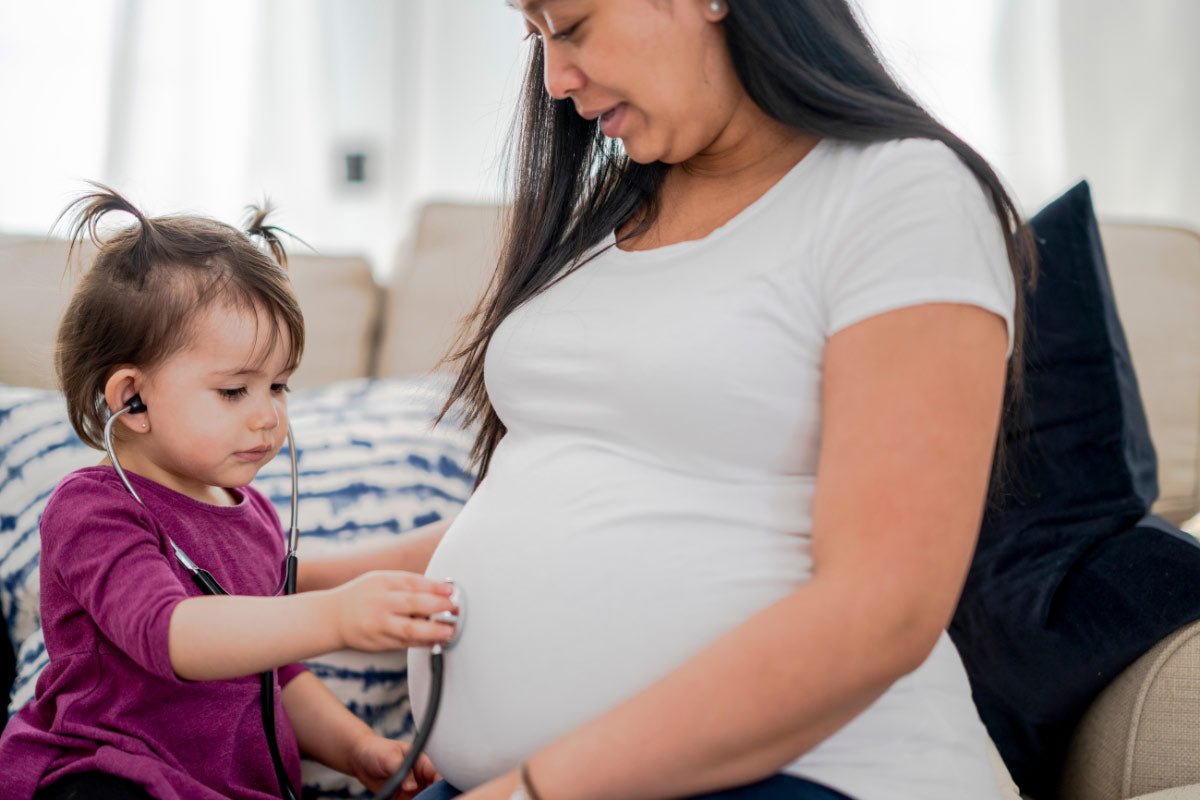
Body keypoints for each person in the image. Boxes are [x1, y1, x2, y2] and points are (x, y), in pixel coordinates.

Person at [396, 0, 1039, 798]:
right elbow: (563, 505)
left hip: (807, 775)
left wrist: (532, 789)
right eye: (535, 41)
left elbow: (883, 608)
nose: (555, 80)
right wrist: (272, 582)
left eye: (569, 26)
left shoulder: (902, 192)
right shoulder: (609, 217)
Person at [0, 188, 458, 800]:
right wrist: (336, 614)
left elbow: (276, 675)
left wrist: (358, 749)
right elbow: (171, 633)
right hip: (107, 772)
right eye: (235, 391)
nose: (269, 416)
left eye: (279, 386)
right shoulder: (94, 509)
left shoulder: (255, 516)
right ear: (131, 399)